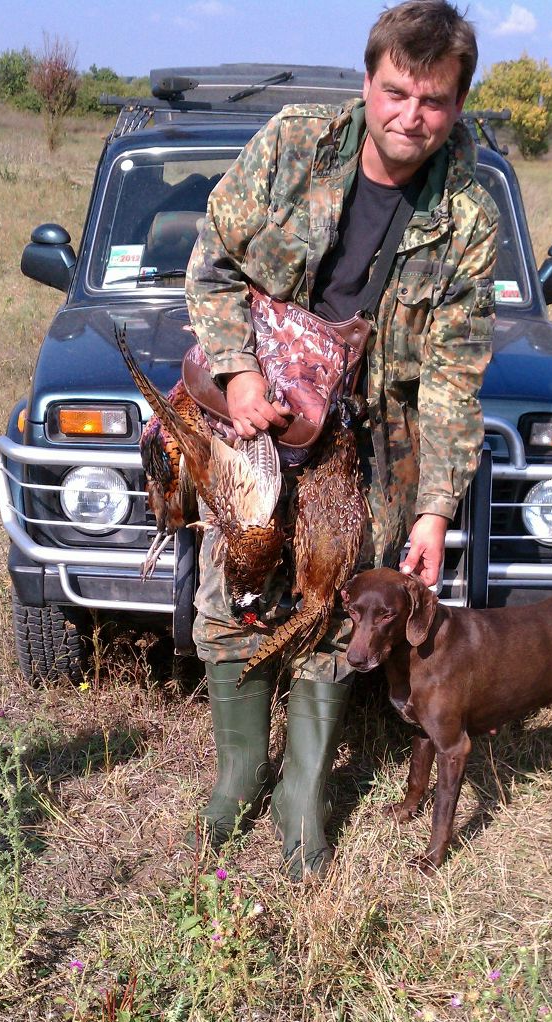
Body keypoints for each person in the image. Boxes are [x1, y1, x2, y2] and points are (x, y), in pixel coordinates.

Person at [184, 0, 499, 880]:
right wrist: (240, 371)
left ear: (456, 103)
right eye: (397, 91)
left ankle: (302, 793)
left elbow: (451, 379)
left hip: (364, 441)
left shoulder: (469, 214)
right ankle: (242, 774)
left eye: (434, 101)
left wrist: (434, 512)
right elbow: (212, 264)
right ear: (369, 82)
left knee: (331, 607)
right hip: (255, 413)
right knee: (232, 586)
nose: (411, 115)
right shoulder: (293, 145)